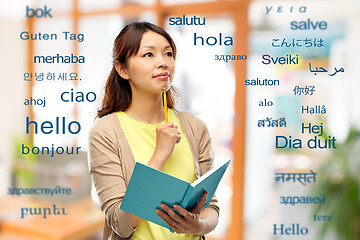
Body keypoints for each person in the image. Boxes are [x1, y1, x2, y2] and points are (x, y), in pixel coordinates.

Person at [88, 22, 219, 240]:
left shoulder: (196, 128)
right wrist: (159, 156)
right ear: (123, 69)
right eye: (148, 55)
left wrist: (198, 225)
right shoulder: (105, 133)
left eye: (168, 54)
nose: (163, 63)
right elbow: (120, 224)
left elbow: (211, 207)